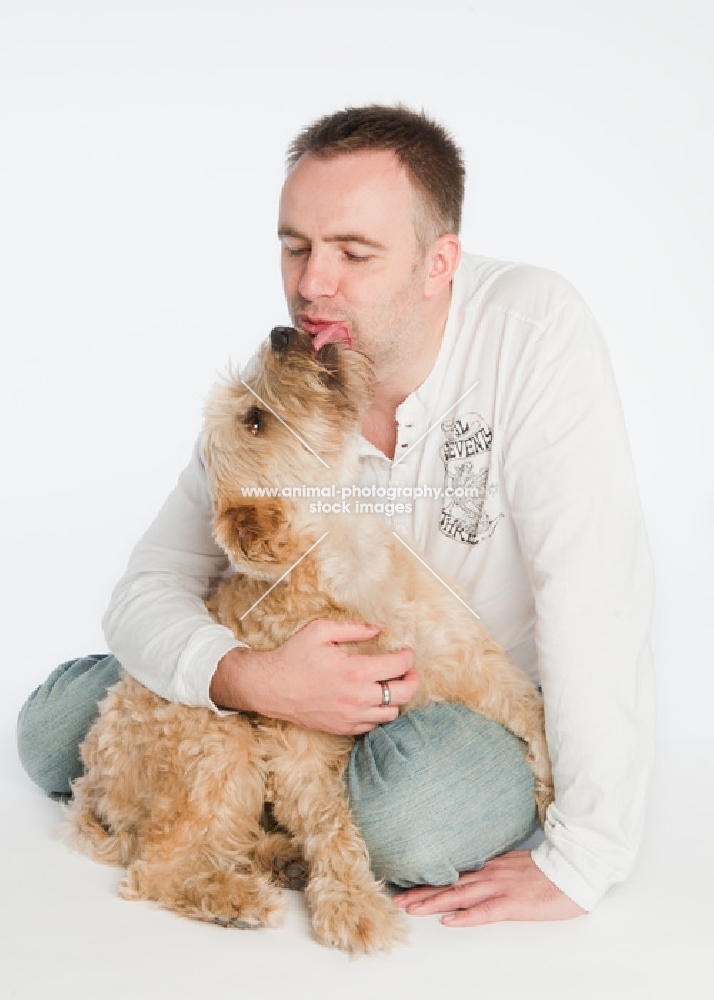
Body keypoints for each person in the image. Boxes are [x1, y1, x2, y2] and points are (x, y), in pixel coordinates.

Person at [17, 105, 655, 928]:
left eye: (354, 252)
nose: (312, 284)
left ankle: (262, 802)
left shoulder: (534, 332)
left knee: (410, 821)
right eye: (296, 246)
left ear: (439, 263)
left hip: (447, 699)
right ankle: (262, 788)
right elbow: (154, 579)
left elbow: (595, 590)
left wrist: (586, 855)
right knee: (50, 728)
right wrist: (260, 681)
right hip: (285, 668)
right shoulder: (286, 369)